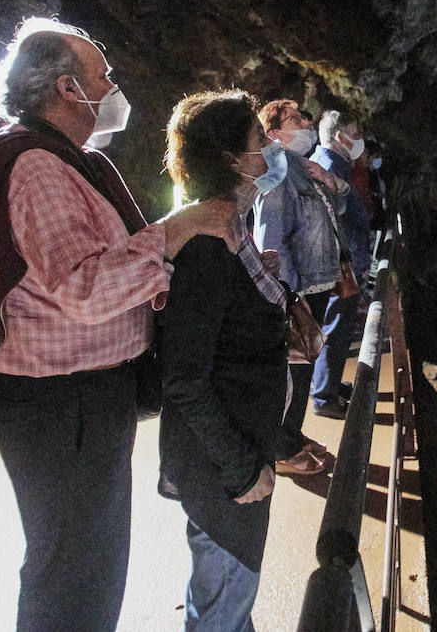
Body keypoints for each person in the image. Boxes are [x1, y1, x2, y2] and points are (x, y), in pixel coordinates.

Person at [0, 17, 233, 632]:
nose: (111, 85)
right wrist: (178, 230)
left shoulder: (71, 161)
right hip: (62, 402)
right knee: (74, 564)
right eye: (101, 75)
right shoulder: (39, 168)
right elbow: (85, 289)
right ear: (68, 88)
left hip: (83, 398)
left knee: (85, 558)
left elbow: (110, 264)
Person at [159, 90, 292, 631]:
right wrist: (240, 470)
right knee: (223, 603)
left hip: (234, 451)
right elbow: (185, 379)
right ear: (231, 161)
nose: (272, 150)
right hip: (221, 467)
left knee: (224, 600)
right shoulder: (207, 246)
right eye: (260, 141)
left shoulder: (231, 227)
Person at [254, 99, 354, 469]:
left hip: (317, 279)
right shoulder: (277, 167)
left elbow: (334, 210)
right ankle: (281, 448)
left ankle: (292, 435)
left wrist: (331, 182)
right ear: (275, 133)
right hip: (297, 285)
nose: (306, 123)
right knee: (294, 366)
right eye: (295, 119)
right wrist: (284, 290)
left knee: (305, 360)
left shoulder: (301, 165)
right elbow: (271, 234)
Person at [308, 109, 373, 418]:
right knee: (336, 328)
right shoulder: (330, 167)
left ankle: (328, 385)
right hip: (340, 261)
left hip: (342, 259)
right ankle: (323, 397)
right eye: (355, 133)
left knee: (338, 326)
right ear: (339, 137)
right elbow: (345, 215)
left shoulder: (333, 164)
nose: (358, 140)